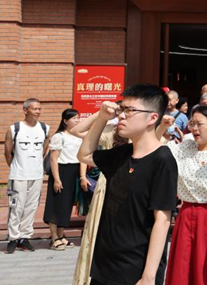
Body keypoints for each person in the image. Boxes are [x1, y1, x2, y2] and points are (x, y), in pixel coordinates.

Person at [78, 84, 179, 285]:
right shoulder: (123, 153)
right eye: (121, 110)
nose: (122, 116)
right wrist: (101, 118)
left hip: (135, 269)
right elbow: (84, 155)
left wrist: (148, 277)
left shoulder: (163, 160)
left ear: (152, 118)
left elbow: (162, 220)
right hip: (105, 265)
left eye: (130, 111)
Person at [162, 105, 207, 285]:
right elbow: (156, 147)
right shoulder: (185, 147)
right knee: (182, 269)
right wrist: (162, 127)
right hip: (185, 215)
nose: (194, 128)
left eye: (199, 124)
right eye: (192, 123)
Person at [69, 113, 128, 285]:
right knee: (99, 231)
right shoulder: (110, 131)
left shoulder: (141, 134)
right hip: (107, 184)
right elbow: (76, 131)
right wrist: (100, 114)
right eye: (122, 111)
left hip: (132, 185)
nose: (124, 115)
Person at [3, 97, 49, 254]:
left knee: (31, 207)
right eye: (34, 108)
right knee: (16, 207)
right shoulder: (14, 128)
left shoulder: (44, 128)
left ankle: (24, 237)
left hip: (36, 175)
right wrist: (16, 168)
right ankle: (13, 238)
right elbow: (7, 153)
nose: (38, 111)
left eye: (39, 109)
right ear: (25, 110)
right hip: (18, 175)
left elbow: (44, 150)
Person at [44, 108, 83, 251]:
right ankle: (54, 238)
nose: (77, 120)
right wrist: (57, 179)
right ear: (65, 121)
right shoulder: (59, 137)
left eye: (78, 117)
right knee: (55, 205)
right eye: (74, 118)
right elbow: (53, 159)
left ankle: (61, 236)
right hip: (61, 172)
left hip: (73, 172)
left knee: (66, 205)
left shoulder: (78, 136)